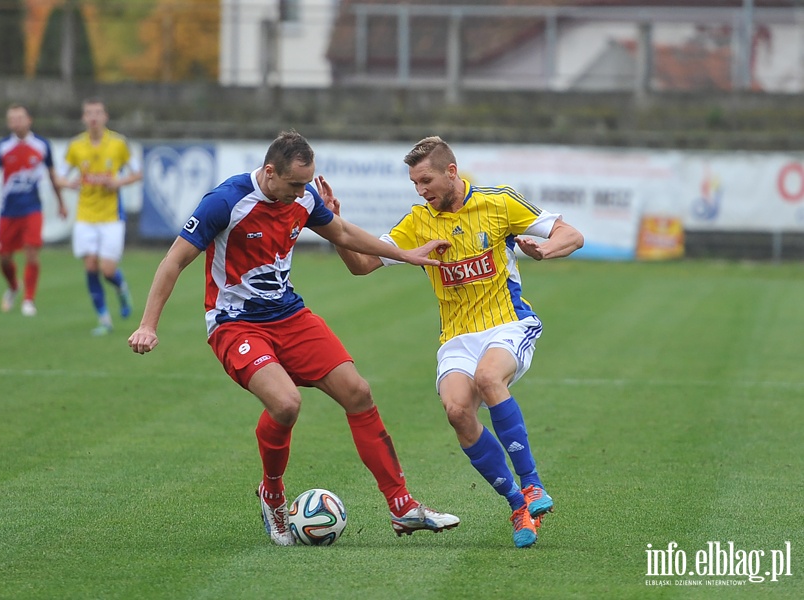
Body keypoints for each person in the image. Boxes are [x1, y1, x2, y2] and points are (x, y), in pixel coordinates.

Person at [127, 130, 460, 546]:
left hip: (290, 315)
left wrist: (406, 255)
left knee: (357, 392)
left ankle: (402, 507)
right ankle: (272, 493)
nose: (304, 194)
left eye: (307, 184)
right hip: (236, 323)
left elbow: (342, 233)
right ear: (270, 172)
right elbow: (173, 261)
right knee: (286, 404)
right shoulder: (225, 201)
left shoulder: (302, 198)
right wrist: (148, 324)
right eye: (295, 185)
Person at [328, 136, 584, 549]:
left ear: (452, 171)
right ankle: (518, 505)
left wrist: (547, 248)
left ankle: (533, 484)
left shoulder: (499, 202)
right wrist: (335, 229)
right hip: (457, 338)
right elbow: (362, 265)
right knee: (457, 411)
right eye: (414, 183)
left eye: (426, 180)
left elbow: (571, 233)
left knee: (488, 377)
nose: (421, 190)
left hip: (508, 323)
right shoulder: (417, 221)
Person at [59, 98, 143, 336]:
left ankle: (121, 288)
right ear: (83, 118)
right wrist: (69, 183)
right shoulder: (76, 146)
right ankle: (104, 319)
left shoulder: (118, 143)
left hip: (111, 216)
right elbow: (60, 177)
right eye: (89, 113)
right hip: (85, 215)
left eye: (97, 113)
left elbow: (137, 173)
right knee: (90, 266)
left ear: (105, 117)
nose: (93, 117)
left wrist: (118, 182)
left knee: (107, 270)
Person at [0, 103, 67, 317]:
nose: (16, 122)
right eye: (12, 119)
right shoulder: (3, 146)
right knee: (3, 257)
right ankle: (14, 286)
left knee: (32, 252)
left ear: (29, 120)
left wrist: (61, 203)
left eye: (19, 118)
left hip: (32, 208)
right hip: (8, 210)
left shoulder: (42, 145)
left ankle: (29, 300)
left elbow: (52, 176)